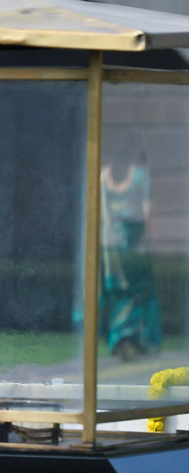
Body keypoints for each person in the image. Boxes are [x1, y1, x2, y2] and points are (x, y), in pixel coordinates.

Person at [100, 152, 162, 359]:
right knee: (140, 292)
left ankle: (121, 338)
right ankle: (133, 338)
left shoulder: (103, 176)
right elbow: (147, 215)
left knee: (119, 292)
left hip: (111, 244)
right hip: (134, 244)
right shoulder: (140, 176)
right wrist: (154, 244)